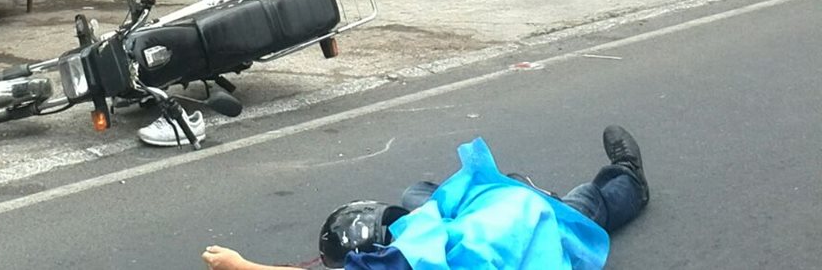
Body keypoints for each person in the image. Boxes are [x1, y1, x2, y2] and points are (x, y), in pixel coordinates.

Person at [201, 125, 649, 270]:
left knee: (416, 193)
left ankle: (517, 186)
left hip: (506, 212)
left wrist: (242, 265)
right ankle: (630, 174)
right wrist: (241, 265)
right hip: (526, 218)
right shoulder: (423, 254)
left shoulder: (417, 254)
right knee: (587, 204)